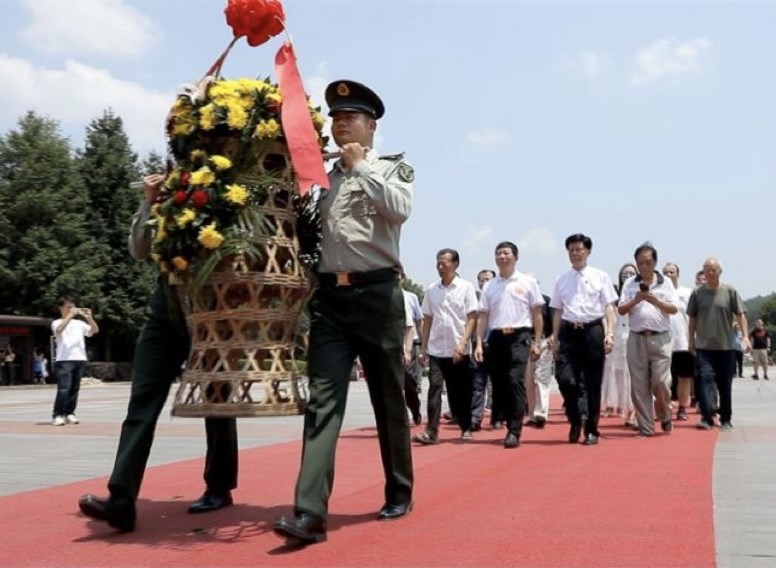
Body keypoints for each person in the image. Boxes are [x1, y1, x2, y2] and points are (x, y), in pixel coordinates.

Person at [273, 80, 414, 545]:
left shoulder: (393, 168)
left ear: (371, 127)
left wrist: (363, 171)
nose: (339, 125)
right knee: (322, 402)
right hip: (332, 300)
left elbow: (400, 212)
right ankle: (310, 511)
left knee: (388, 398)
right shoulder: (322, 179)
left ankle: (399, 487)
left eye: (349, 118)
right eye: (334, 118)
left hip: (377, 296)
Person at [78, 174, 239, 533]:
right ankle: (121, 497)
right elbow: (138, 250)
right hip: (164, 300)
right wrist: (149, 201)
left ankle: (219, 485)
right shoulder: (171, 189)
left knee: (215, 396)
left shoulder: (223, 182)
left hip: (210, 300)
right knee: (143, 397)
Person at [474, 242, 543, 448]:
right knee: (501, 383)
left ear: (515, 257)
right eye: (498, 253)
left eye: (506, 253)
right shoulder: (490, 285)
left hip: (519, 336)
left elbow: (537, 313)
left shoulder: (528, 282)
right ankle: (507, 419)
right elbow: (483, 316)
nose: (502, 256)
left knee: (514, 379)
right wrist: (478, 342)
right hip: (496, 337)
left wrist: (537, 341)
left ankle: (515, 430)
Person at [549, 233, 616, 446]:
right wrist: (555, 337)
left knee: (592, 382)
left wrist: (609, 333)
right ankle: (576, 418)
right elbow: (557, 310)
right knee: (566, 378)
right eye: (571, 250)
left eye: (579, 249)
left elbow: (609, 307)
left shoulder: (600, 276)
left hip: (593, 331)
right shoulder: (561, 279)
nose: (575, 254)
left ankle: (591, 428)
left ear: (588, 251)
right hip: (569, 333)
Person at [414, 248, 478, 445]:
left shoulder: (466, 287)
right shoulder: (432, 290)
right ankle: (431, 431)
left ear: (456, 264)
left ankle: (466, 426)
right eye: (438, 263)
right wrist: (424, 347)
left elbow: (472, 317)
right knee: (434, 388)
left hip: (458, 349)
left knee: (459, 391)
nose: (440, 267)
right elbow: (427, 318)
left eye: (444, 263)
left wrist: (463, 343)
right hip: (436, 350)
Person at [617, 243, 677, 438]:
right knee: (639, 384)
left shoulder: (665, 282)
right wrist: (636, 299)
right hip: (636, 338)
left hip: (660, 338)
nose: (644, 267)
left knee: (660, 382)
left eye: (648, 262)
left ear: (655, 263)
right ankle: (646, 427)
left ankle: (664, 413)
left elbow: (673, 309)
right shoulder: (629, 284)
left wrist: (655, 301)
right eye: (640, 263)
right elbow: (621, 309)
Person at [688, 257, 749, 431]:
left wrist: (745, 337)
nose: (709, 273)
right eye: (706, 269)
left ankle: (726, 418)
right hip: (704, 347)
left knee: (725, 384)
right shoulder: (697, 293)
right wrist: (691, 341)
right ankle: (707, 417)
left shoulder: (729, 291)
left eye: (712, 270)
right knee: (705, 380)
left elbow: (741, 314)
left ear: (719, 272)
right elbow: (692, 318)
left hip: (725, 347)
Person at [51, 297, 99, 425]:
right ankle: (58, 414)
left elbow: (94, 330)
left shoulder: (79, 324)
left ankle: (70, 413)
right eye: (68, 307)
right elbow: (59, 330)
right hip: (64, 359)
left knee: (74, 388)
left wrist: (89, 318)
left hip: (80, 358)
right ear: (61, 308)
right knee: (64, 388)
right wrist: (70, 315)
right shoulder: (56, 322)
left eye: (73, 307)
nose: (71, 309)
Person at [662, 262, 695, 421]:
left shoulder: (687, 293)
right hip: (662, 342)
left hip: (683, 342)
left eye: (671, 272)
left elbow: (694, 317)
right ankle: (664, 407)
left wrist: (693, 340)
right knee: (662, 379)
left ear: (677, 274)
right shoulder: (658, 293)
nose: (668, 275)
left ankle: (682, 407)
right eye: (665, 272)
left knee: (684, 377)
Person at [470, 269, 495, 431]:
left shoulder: (501, 298)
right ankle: (475, 418)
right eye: (481, 280)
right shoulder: (474, 300)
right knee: (477, 383)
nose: (484, 282)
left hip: (498, 345)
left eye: (487, 279)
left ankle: (498, 416)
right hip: (478, 345)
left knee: (499, 383)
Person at [401, 278, 423, 426]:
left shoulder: (410, 297)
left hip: (410, 343)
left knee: (409, 382)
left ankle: (415, 409)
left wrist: (423, 344)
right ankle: (401, 417)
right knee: (395, 384)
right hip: (389, 346)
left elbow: (417, 321)